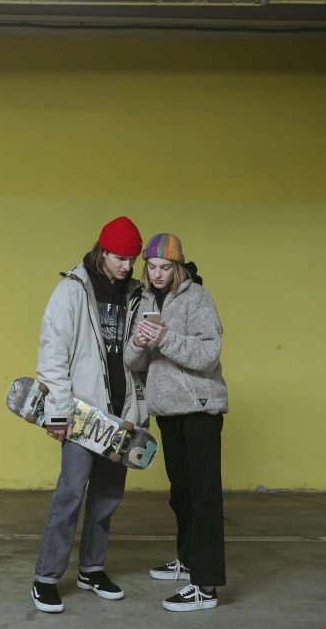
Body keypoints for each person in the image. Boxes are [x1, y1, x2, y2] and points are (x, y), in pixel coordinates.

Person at [32, 216, 149, 614]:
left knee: (108, 496)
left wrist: (140, 410)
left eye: (132, 259)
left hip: (122, 413)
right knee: (71, 492)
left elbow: (143, 358)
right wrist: (57, 413)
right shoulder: (71, 290)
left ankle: (92, 568)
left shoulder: (136, 293)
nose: (127, 266)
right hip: (83, 412)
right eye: (120, 257)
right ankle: (46, 577)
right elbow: (53, 355)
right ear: (102, 251)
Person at [124, 233, 228, 613]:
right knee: (181, 493)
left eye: (165, 267)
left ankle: (205, 585)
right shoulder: (147, 299)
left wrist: (165, 339)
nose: (157, 274)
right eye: (151, 267)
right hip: (167, 410)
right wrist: (138, 342)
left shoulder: (198, 297)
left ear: (178, 266)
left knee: (204, 498)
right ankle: (188, 561)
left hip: (200, 408)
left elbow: (208, 352)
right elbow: (135, 363)